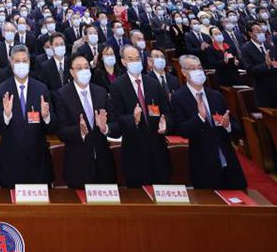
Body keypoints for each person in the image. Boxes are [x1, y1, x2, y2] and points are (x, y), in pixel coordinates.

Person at [172, 55, 246, 190]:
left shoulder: (216, 95)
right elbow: (181, 130)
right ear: (184, 72)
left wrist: (228, 125)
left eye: (199, 67)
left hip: (228, 161)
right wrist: (200, 117)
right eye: (192, 68)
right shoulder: (178, 97)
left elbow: (236, 127)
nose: (198, 71)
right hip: (203, 164)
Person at [0, 46, 55, 188]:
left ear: (29, 63)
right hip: (10, 162)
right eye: (17, 61)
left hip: (38, 162)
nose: (21, 64)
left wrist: (46, 117)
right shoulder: (2, 89)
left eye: (24, 61)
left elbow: (53, 126)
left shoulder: (41, 88)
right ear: (11, 63)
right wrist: (6, 115)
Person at [109, 46, 172, 187]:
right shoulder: (117, 86)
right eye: (130, 59)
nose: (135, 62)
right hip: (135, 153)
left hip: (158, 150)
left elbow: (167, 112)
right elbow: (116, 118)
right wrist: (133, 120)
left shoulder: (153, 83)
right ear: (123, 62)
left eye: (137, 58)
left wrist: (165, 122)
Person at [55, 53, 117, 188]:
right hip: (78, 165)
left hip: (103, 165)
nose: (84, 70)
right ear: (72, 72)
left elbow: (115, 124)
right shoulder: (62, 95)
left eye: (86, 67)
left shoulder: (101, 92)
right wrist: (79, 131)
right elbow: (61, 131)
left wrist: (105, 128)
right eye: (79, 68)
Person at [240, 21, 277, 107]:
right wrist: (265, 65)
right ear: (250, 33)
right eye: (258, 31)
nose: (261, 33)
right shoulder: (246, 49)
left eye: (262, 31)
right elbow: (250, 70)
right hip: (263, 90)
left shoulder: (269, 46)